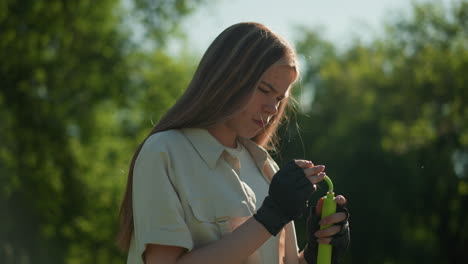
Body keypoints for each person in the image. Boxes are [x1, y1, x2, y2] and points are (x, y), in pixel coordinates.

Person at [117, 22, 350, 264]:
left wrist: (313, 254)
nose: (272, 109)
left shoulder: (266, 168)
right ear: (228, 77)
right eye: (264, 89)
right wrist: (270, 218)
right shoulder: (165, 153)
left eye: (280, 98)